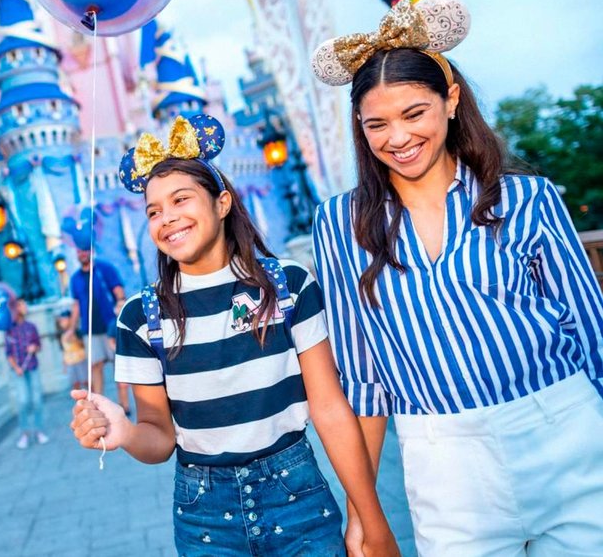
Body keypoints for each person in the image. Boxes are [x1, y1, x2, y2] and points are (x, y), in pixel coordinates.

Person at [310, 0, 603, 555]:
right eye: (377, 124)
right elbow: (362, 379)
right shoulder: (339, 224)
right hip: (442, 459)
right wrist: (364, 517)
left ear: (450, 100)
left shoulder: (527, 198)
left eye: (413, 113)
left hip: (566, 432)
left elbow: (592, 334)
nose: (397, 137)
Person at [71, 115, 399, 556]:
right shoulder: (141, 316)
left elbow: (330, 408)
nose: (167, 218)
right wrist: (125, 432)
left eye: (180, 199)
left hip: (297, 498)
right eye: (154, 211)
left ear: (222, 203)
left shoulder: (288, 287)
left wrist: (370, 519)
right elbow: (159, 438)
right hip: (204, 515)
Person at [66, 246, 125, 395]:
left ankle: (124, 405)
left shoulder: (105, 268)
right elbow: (76, 306)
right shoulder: (75, 279)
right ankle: (98, 402)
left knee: (119, 365)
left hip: (111, 326)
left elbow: (118, 291)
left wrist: (121, 306)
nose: (82, 254)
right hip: (90, 329)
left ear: (91, 251)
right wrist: (71, 329)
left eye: (85, 250)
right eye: (79, 251)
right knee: (95, 366)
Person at [5, 299, 48, 449]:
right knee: (23, 401)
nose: (24, 307)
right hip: (19, 372)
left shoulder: (31, 327)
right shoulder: (9, 330)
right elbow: (8, 354)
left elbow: (39, 345)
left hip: (33, 367)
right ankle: (25, 433)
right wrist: (16, 367)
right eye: (21, 305)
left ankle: (38, 431)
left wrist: (34, 348)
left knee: (36, 400)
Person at [105, 298, 132, 416]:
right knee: (122, 384)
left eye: (124, 306)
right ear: (115, 309)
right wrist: (118, 350)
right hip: (120, 358)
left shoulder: (132, 321)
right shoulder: (113, 324)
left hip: (132, 356)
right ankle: (125, 405)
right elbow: (110, 341)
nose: (121, 309)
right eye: (119, 306)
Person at [57, 309, 88, 391]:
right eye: (61, 320)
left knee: (86, 381)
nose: (62, 322)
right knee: (75, 384)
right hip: (70, 362)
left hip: (80, 359)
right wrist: (64, 365)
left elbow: (84, 345)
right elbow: (64, 350)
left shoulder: (77, 332)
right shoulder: (61, 335)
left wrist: (75, 339)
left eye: (64, 320)